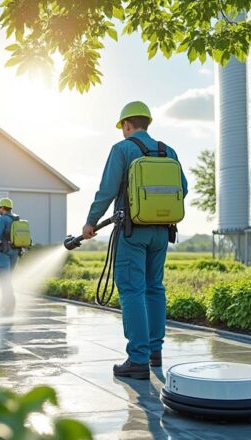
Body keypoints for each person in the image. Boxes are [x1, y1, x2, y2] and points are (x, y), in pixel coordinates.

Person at [82, 101, 188, 379]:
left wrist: (91, 222)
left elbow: (106, 191)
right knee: (155, 288)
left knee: (131, 289)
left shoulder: (122, 149)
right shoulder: (169, 151)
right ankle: (155, 352)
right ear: (147, 123)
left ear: (127, 125)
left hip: (132, 232)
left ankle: (137, 359)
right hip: (162, 231)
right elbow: (183, 189)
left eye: (123, 127)